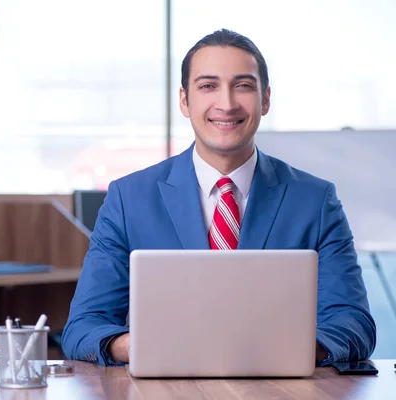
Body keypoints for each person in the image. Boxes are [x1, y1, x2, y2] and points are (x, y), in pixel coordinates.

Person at [61, 28, 376, 366]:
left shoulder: (315, 201)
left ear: (265, 99)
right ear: (185, 100)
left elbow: (353, 323)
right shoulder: (128, 199)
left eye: (243, 86)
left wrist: (286, 349)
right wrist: (137, 346)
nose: (226, 104)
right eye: (208, 86)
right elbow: (83, 327)